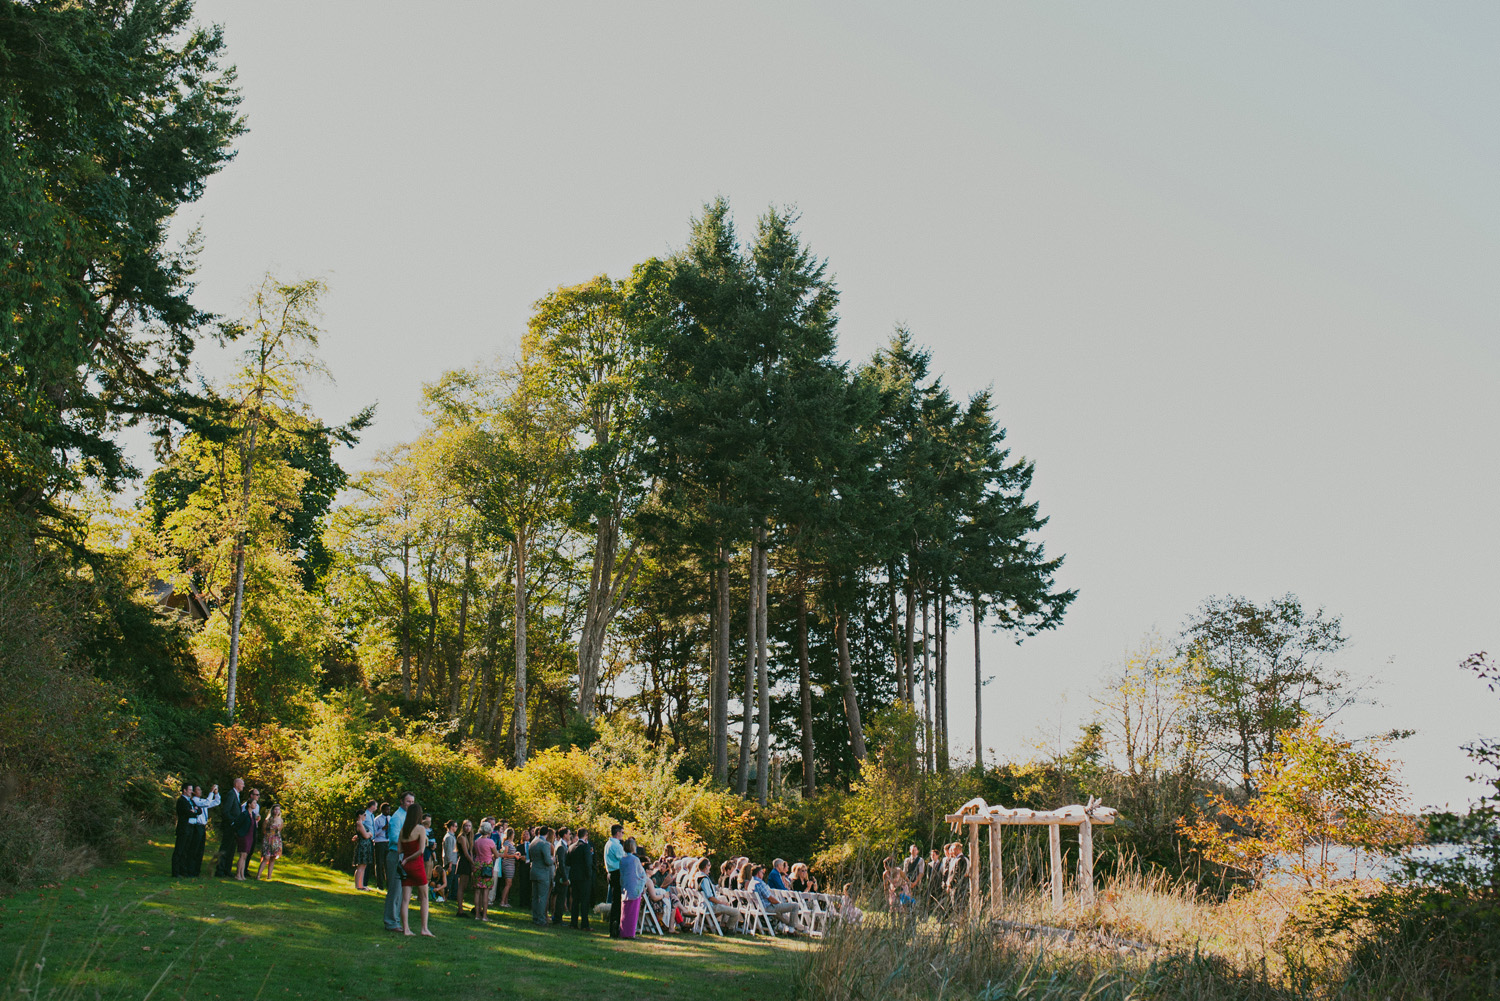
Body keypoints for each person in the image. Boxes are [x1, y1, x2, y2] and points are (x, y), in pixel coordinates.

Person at [397, 802, 434, 937]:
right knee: (424, 897)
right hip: (417, 865)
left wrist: (405, 859)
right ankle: (424, 928)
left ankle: (406, 928)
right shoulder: (420, 829)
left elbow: (399, 849)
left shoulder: (403, 830)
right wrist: (409, 859)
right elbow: (421, 850)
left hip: (406, 866)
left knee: (405, 899)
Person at [381, 792, 414, 932]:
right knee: (394, 890)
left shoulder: (408, 817)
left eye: (412, 802)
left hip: (404, 855)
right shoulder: (397, 817)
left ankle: (396, 921)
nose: (410, 804)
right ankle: (390, 922)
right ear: (402, 802)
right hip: (396, 854)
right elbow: (394, 838)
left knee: (401, 891)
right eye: (408, 802)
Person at [749, 864, 804, 932]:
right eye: (762, 873)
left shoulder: (751, 883)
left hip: (759, 908)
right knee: (795, 906)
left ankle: (800, 928)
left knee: (783, 916)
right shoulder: (759, 883)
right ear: (758, 873)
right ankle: (792, 930)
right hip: (768, 908)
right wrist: (779, 903)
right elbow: (770, 898)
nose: (763, 874)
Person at [694, 858, 739, 933]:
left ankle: (722, 926)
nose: (710, 867)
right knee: (735, 912)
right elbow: (710, 897)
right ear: (705, 867)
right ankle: (729, 929)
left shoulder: (697, 876)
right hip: (711, 906)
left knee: (726, 904)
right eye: (709, 865)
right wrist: (721, 903)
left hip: (703, 905)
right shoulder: (704, 879)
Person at [216, 778, 246, 878]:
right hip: (229, 827)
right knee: (225, 848)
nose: (243, 786)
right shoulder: (231, 794)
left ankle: (227, 869)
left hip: (234, 828)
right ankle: (220, 870)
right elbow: (226, 811)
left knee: (231, 849)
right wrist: (233, 822)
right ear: (237, 784)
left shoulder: (237, 795)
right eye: (242, 784)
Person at [186, 784, 218, 877]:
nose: (200, 791)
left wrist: (216, 793)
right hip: (197, 826)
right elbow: (207, 803)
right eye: (198, 790)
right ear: (194, 792)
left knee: (200, 849)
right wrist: (211, 792)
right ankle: (190, 870)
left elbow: (215, 802)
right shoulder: (195, 801)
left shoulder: (203, 800)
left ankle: (197, 870)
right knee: (194, 848)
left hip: (203, 826)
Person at [526, 826, 554, 927]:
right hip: (543, 873)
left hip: (534, 871)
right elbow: (547, 861)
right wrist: (553, 860)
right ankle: (541, 919)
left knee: (534, 896)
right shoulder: (545, 844)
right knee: (542, 897)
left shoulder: (533, 842)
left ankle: (535, 917)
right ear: (547, 833)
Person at [619, 838, 646, 939]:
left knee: (625, 910)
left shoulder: (622, 859)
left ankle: (623, 931)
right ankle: (630, 933)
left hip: (625, 887)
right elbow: (640, 873)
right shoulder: (635, 860)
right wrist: (642, 882)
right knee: (633, 912)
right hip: (634, 887)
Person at [567, 829, 594, 930]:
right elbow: (588, 863)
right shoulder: (585, 847)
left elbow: (567, 862)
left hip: (574, 876)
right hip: (584, 878)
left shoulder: (571, 847)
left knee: (575, 900)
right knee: (584, 901)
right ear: (586, 835)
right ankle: (584, 924)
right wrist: (589, 875)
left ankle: (573, 923)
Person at [472, 821, 497, 921]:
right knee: (486, 891)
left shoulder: (477, 841)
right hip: (487, 865)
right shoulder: (490, 841)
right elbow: (496, 854)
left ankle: (477, 915)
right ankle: (485, 916)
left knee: (477, 891)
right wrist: (493, 856)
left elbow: (475, 853)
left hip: (477, 865)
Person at [604, 823, 625, 938]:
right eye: (622, 832)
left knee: (615, 901)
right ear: (617, 833)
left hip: (611, 873)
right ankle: (614, 928)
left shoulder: (608, 843)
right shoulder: (616, 845)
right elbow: (622, 858)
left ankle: (614, 927)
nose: (622, 835)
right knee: (617, 902)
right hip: (616, 873)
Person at [550, 828, 573, 925]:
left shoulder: (564, 845)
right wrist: (564, 877)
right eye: (569, 833)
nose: (570, 835)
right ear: (564, 835)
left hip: (563, 874)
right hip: (561, 876)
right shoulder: (561, 847)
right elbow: (561, 863)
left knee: (561, 897)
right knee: (560, 898)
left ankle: (558, 918)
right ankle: (557, 919)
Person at [256, 804, 284, 880]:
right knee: (266, 857)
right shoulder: (267, 820)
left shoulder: (280, 820)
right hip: (268, 839)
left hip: (276, 840)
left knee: (273, 858)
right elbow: (263, 830)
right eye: (275, 809)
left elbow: (280, 830)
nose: (276, 811)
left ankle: (269, 876)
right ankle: (258, 875)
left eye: (278, 809)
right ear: (272, 810)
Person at [455, 819, 475, 918]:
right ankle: (460, 909)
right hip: (463, 862)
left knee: (464, 886)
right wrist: (473, 863)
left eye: (469, 826)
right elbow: (466, 854)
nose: (468, 828)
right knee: (461, 886)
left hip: (468, 863)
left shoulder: (469, 838)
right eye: (466, 826)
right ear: (463, 827)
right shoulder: (462, 837)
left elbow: (470, 852)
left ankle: (461, 909)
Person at [353, 807, 374, 891]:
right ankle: (358, 885)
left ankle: (361, 884)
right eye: (364, 815)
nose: (365, 816)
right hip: (363, 846)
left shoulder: (362, 824)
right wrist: (369, 834)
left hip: (366, 845)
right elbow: (365, 835)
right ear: (360, 815)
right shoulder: (359, 823)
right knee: (360, 866)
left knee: (364, 866)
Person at [371, 802, 390, 887]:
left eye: (389, 809)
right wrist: (383, 829)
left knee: (388, 864)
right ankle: (380, 884)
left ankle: (389, 884)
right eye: (386, 810)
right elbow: (374, 833)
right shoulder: (377, 819)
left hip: (388, 842)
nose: (388, 811)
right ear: (382, 810)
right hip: (379, 842)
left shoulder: (390, 818)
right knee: (379, 863)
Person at [498, 826, 519, 907]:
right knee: (508, 883)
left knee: (508, 883)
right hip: (507, 864)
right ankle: (502, 901)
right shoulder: (506, 843)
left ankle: (506, 901)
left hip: (511, 864)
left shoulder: (511, 843)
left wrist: (516, 854)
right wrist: (514, 855)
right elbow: (505, 854)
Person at [442, 820, 459, 902]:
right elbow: (449, 851)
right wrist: (450, 864)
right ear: (451, 827)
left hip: (454, 861)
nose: (456, 828)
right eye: (455, 826)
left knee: (454, 880)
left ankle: (453, 895)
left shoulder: (452, 836)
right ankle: (445, 895)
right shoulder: (448, 837)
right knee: (449, 880)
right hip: (450, 862)